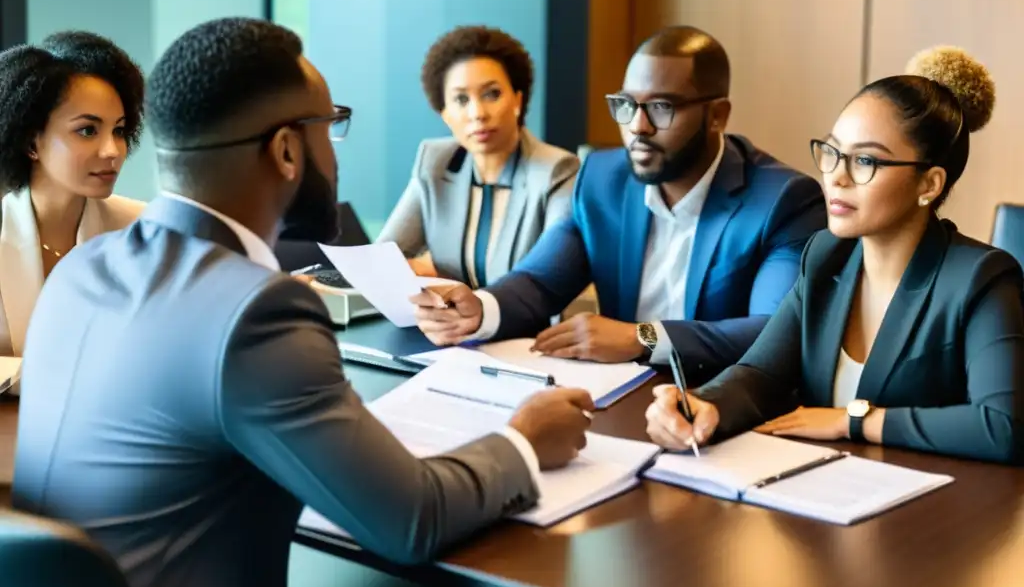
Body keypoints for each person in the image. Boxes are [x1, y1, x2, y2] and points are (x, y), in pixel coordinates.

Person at [12, 18, 595, 587]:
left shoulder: (82, 268)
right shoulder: (258, 311)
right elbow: (411, 518)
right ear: (287, 150)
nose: (335, 152)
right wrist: (524, 440)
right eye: (331, 127)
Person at [644, 47, 1024, 465]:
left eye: (864, 160)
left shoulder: (982, 280)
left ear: (929, 184)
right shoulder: (827, 255)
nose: (837, 177)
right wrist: (704, 406)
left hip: (937, 514)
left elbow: (1003, 426)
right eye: (832, 152)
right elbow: (761, 373)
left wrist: (854, 420)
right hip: (822, 496)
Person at [412, 26, 826, 383]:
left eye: (662, 108)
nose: (637, 127)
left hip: (722, 400)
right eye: (626, 105)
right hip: (618, 391)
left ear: (717, 115)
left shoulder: (782, 200)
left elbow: (772, 330)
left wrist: (641, 337)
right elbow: (540, 281)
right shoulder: (602, 179)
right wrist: (477, 310)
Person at [378, 25, 579, 287]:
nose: (478, 113)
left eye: (492, 94)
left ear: (518, 100)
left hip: (526, 326)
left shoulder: (556, 171)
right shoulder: (436, 163)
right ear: (445, 114)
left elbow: (547, 278)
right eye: (461, 100)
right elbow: (382, 260)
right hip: (444, 324)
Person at [0, 31, 145, 373]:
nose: (112, 151)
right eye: (87, 131)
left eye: (120, 131)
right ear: (30, 141)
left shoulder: (143, 229)